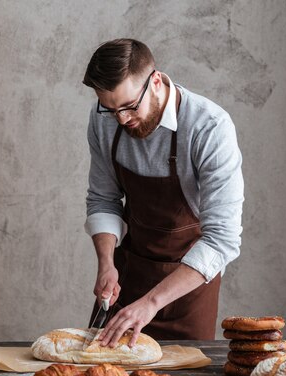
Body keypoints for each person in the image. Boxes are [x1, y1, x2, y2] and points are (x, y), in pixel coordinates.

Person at [82, 38, 244, 347]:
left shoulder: (209, 128)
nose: (122, 120)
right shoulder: (102, 119)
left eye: (129, 107)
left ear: (156, 81)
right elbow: (104, 199)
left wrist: (152, 302)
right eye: (111, 109)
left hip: (187, 289)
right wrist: (106, 263)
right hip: (129, 274)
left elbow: (222, 239)